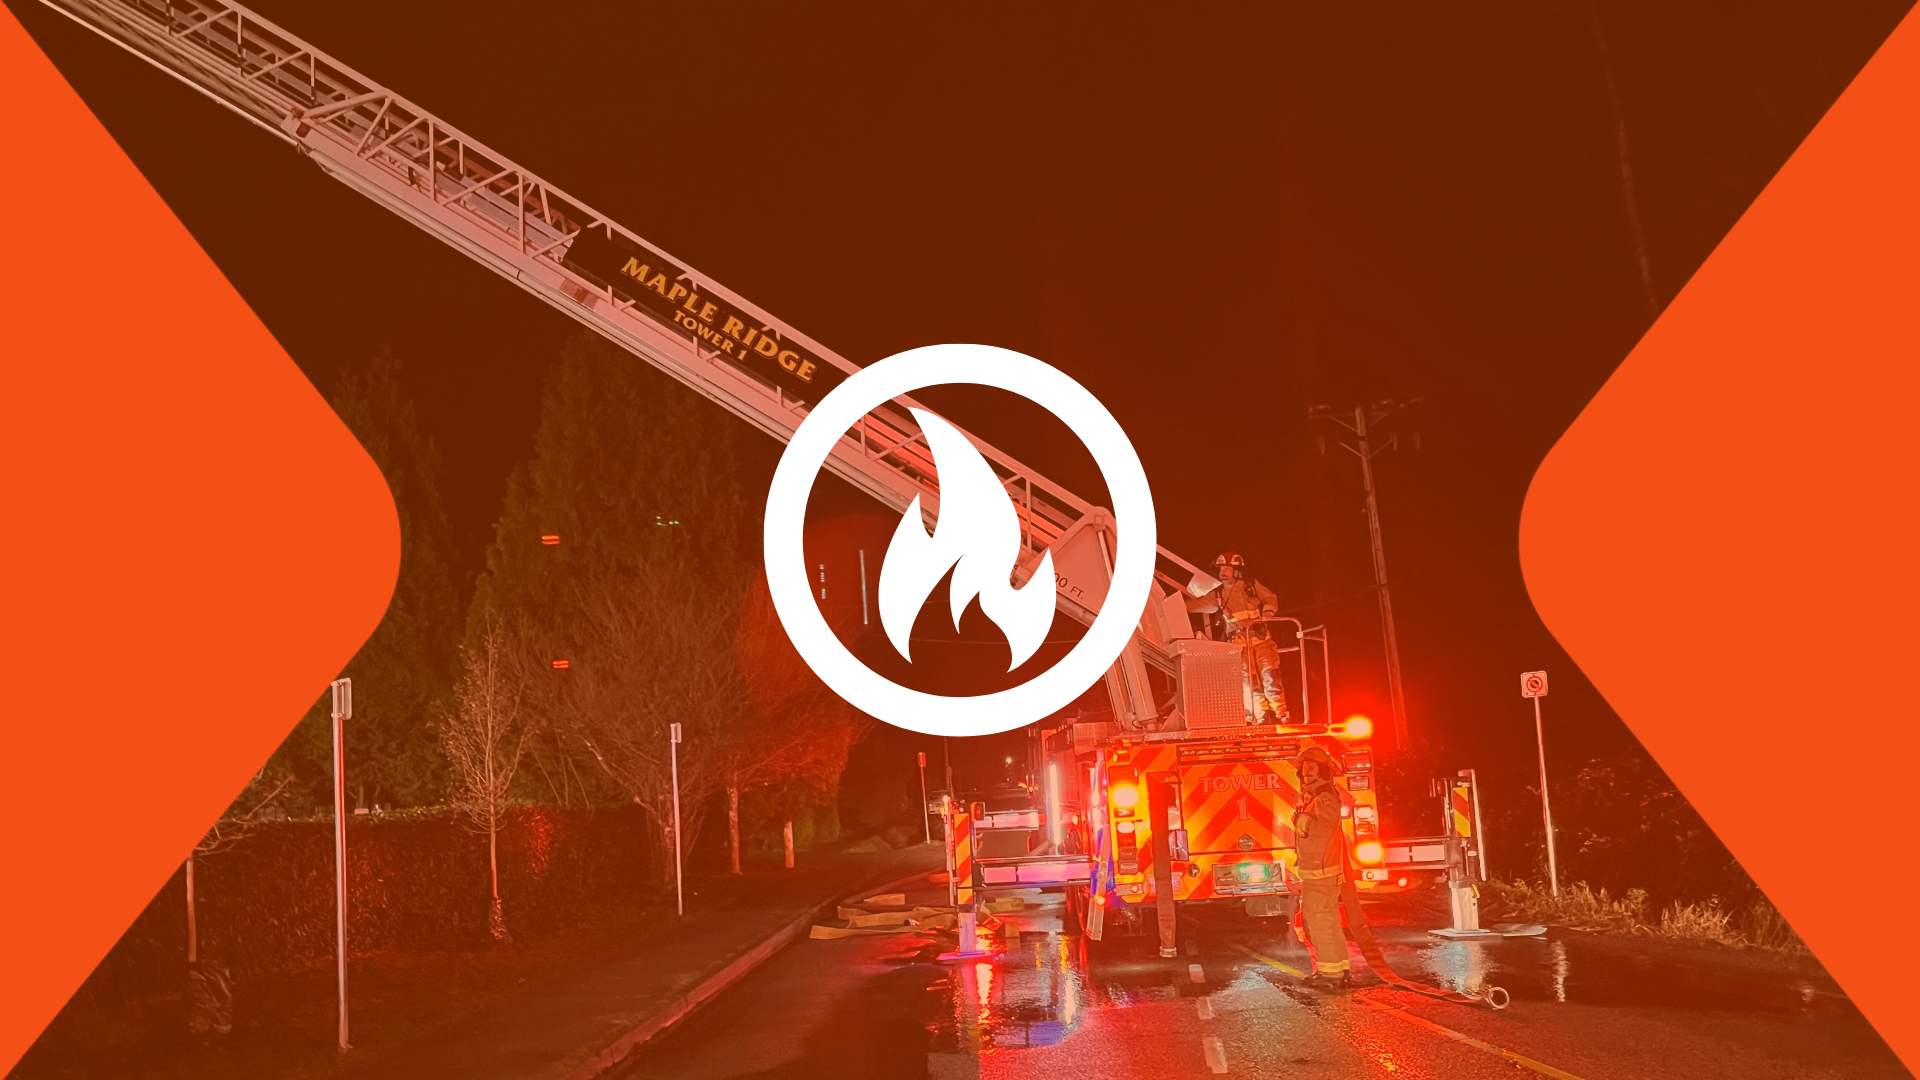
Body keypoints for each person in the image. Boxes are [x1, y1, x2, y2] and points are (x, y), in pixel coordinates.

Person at [1191, 552, 1290, 724]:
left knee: (1271, 678)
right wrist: (1173, 605)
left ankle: (1281, 715)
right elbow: (1196, 604)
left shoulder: (1250, 586)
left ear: (1237, 571)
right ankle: (1261, 717)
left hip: (1262, 642)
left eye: (1228, 568)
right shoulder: (1218, 595)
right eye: (1221, 569)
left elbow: (1270, 598)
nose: (1223, 572)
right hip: (1239, 646)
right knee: (1250, 684)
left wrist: (1268, 612)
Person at [1292, 745, 1352, 990]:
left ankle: (1330, 976)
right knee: (1327, 920)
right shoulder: (1318, 797)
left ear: (1323, 771)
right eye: (1304, 769)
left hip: (1320, 872)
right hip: (1320, 871)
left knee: (1320, 922)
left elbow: (1325, 830)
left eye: (1311, 768)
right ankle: (1339, 970)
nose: (1306, 773)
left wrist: (1301, 820)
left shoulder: (1325, 797)